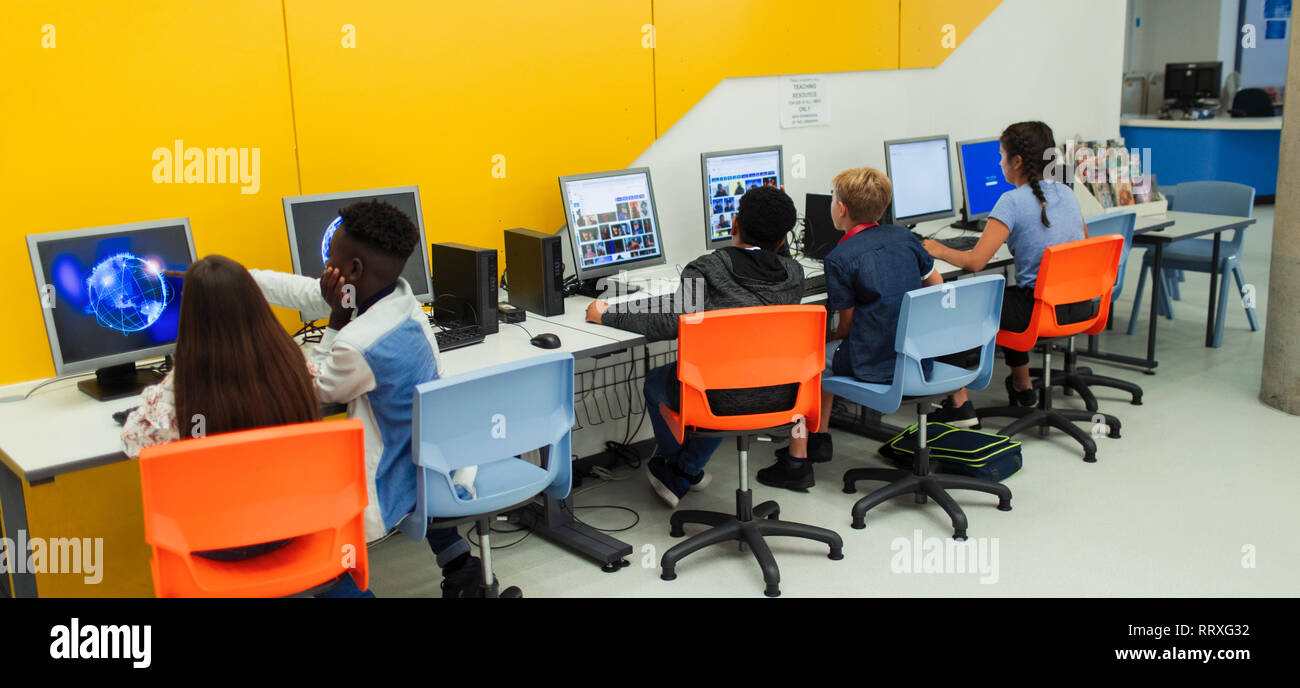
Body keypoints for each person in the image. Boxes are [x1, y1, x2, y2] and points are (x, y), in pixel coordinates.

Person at [247, 199, 495, 597]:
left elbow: (313, 386)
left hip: (383, 476)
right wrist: (241, 278)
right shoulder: (404, 303)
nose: (324, 269)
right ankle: (459, 564)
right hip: (427, 460)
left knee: (300, 519)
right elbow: (306, 291)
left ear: (355, 271)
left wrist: (334, 324)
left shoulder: (358, 345)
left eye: (330, 259)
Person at [585, 186, 804, 507]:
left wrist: (608, 314)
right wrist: (776, 221)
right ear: (783, 241)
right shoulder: (794, 275)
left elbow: (668, 322)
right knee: (722, 379)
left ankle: (681, 469)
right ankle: (687, 470)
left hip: (719, 397)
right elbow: (774, 259)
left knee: (660, 382)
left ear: (733, 225)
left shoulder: (708, 269)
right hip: (779, 393)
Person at [123, 254, 321, 561]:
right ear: (257, 302)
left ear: (191, 317)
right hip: (296, 527)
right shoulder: (294, 364)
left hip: (222, 543)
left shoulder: (179, 392)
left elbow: (133, 441)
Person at [756, 167, 942, 491]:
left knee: (809, 357)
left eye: (833, 199)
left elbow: (847, 327)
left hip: (876, 362)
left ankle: (797, 460)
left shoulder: (840, 257)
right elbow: (936, 285)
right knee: (827, 355)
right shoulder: (905, 237)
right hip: (917, 357)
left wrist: (819, 338)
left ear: (841, 209)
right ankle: (820, 438)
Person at [924, 121, 1093, 428]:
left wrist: (939, 249)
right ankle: (1023, 387)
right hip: (1078, 306)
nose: (999, 163)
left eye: (1001, 156)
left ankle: (958, 405)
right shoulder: (1067, 193)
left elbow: (975, 262)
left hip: (1039, 313)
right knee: (1009, 295)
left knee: (957, 307)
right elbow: (1082, 242)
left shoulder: (1011, 201)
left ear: (1017, 162)